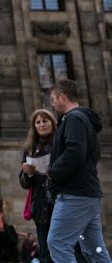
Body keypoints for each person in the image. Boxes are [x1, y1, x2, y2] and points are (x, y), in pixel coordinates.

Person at [46, 79, 111, 263]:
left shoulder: (74, 119)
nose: (52, 103)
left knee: (57, 242)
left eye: (53, 99)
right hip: (87, 194)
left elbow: (75, 152)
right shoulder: (83, 120)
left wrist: (52, 172)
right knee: (94, 250)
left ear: (62, 97)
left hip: (75, 194)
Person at [19, 109, 56, 263]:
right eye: (38, 122)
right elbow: (24, 183)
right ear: (34, 126)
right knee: (46, 251)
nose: (42, 124)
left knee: (65, 247)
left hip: (59, 201)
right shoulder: (29, 149)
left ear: (52, 123)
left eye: (45, 121)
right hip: (40, 206)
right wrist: (28, 173)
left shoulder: (60, 143)